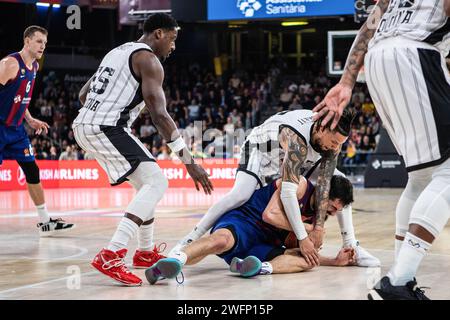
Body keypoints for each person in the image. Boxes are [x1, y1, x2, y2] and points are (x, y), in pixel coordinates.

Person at [313, 0, 450, 300]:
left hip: (378, 61)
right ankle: (397, 282)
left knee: (422, 177)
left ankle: (403, 278)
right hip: (415, 54)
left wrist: (347, 81)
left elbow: (368, 25)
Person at [73, 13, 213, 286]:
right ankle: (112, 253)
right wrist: (189, 162)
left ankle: (145, 252)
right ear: (158, 33)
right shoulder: (149, 59)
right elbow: (159, 116)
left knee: (147, 183)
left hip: (90, 123)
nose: (173, 47)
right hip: (105, 127)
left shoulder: (117, 51)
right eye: (172, 39)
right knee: (158, 182)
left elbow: (83, 94)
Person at [170, 109, 379, 268]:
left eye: (339, 144)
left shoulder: (333, 139)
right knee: (241, 195)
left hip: (289, 157)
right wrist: (304, 238)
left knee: (340, 182)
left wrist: (318, 228)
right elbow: (288, 192)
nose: (335, 148)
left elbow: (325, 185)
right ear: (321, 128)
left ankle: (352, 246)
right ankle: (189, 238)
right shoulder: (297, 139)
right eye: (333, 142)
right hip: (260, 152)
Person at [145, 175, 358, 284]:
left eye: (335, 211)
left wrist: (334, 261)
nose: (330, 212)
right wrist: (306, 229)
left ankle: (255, 268)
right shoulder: (299, 184)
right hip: (247, 221)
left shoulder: (317, 219)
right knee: (220, 242)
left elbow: (305, 251)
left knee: (304, 261)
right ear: (323, 193)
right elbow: (270, 215)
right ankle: (173, 262)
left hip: (264, 244)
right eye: (330, 206)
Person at [0, 26, 74, 236]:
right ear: (27, 41)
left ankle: (45, 222)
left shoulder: (33, 67)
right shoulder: (10, 64)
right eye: (39, 41)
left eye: (45, 42)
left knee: (32, 171)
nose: (43, 46)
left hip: (16, 131)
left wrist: (30, 119)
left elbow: (19, 98)